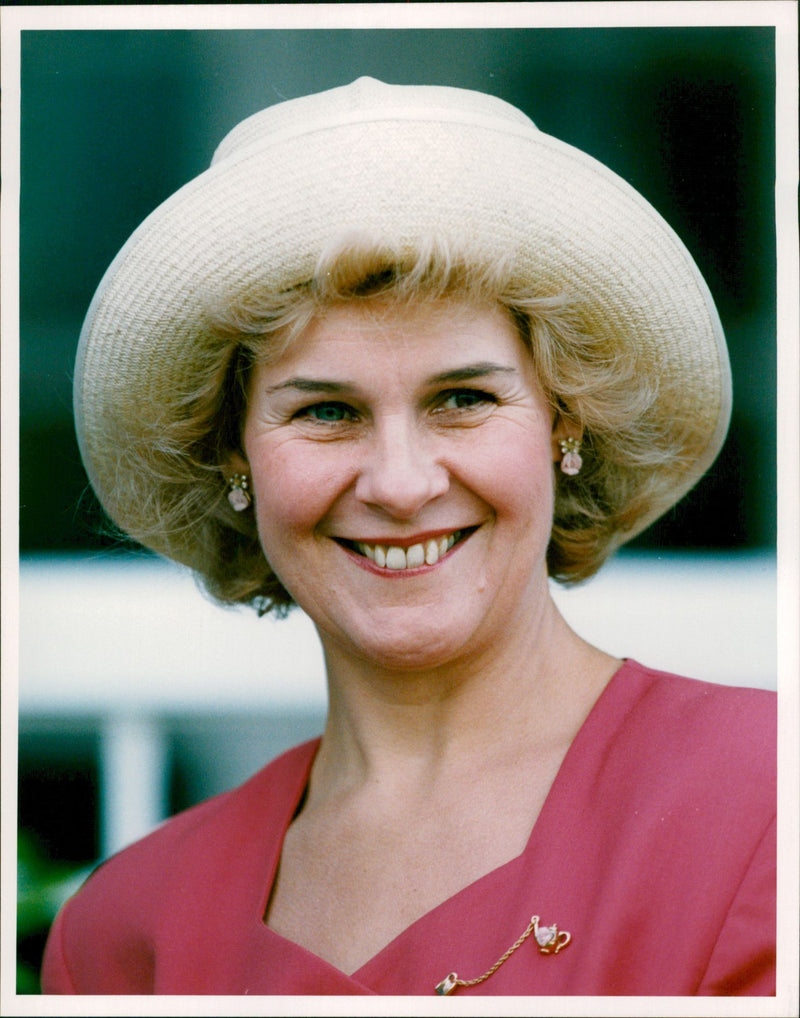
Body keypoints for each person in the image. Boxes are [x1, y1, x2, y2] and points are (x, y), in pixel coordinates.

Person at [41, 77, 775, 996]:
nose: (399, 484)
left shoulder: (764, 804)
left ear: (566, 424)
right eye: (325, 411)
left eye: (463, 399)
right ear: (232, 455)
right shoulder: (125, 933)